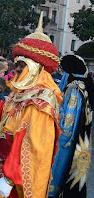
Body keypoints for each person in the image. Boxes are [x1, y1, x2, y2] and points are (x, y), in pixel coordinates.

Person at [0, 13, 62, 198]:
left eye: (21, 67)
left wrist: (10, 178)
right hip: (6, 168)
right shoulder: (23, 92)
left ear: (35, 68)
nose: (16, 71)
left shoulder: (41, 102)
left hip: (19, 177)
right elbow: (6, 115)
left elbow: (33, 147)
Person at [49, 55, 94, 198]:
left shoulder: (74, 88)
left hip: (67, 139)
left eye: (63, 72)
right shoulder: (85, 85)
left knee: (60, 172)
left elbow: (68, 121)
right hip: (82, 136)